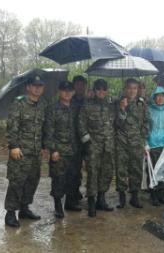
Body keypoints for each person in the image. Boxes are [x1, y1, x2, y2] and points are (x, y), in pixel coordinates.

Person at [4, 74, 46, 227]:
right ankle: (10, 213)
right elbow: (12, 125)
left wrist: (43, 146)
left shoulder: (43, 104)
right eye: (34, 85)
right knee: (17, 181)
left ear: (43, 88)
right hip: (20, 151)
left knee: (32, 180)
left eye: (40, 85)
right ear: (28, 87)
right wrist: (13, 146)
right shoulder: (19, 103)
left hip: (35, 152)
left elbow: (42, 128)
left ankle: (24, 208)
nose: (37, 88)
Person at [78, 79, 115, 217]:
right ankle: (92, 202)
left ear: (106, 91)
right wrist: (87, 141)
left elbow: (119, 120)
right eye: (98, 89)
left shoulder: (111, 106)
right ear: (94, 90)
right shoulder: (87, 105)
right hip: (93, 146)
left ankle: (101, 199)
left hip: (108, 145)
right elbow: (81, 124)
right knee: (93, 173)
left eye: (104, 89)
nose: (101, 91)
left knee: (106, 172)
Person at [44, 81, 80, 218]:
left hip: (73, 150)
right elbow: (48, 132)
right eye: (64, 90)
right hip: (59, 151)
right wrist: (53, 150)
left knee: (72, 178)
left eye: (70, 90)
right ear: (60, 91)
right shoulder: (52, 109)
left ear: (73, 92)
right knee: (58, 178)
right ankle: (58, 205)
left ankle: (70, 203)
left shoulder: (75, 108)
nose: (67, 92)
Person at [114, 78, 149, 209]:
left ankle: (134, 197)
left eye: (134, 88)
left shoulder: (142, 104)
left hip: (136, 143)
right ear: (125, 89)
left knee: (136, 170)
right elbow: (115, 124)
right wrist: (122, 109)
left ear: (138, 89)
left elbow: (147, 122)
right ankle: (122, 198)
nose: (132, 91)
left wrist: (142, 137)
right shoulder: (118, 103)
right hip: (122, 142)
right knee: (121, 170)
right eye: (129, 88)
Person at [70, 75, 87, 208]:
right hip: (73, 141)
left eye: (82, 85)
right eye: (78, 85)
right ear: (74, 86)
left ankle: (88, 193)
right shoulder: (69, 100)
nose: (80, 88)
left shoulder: (89, 101)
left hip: (87, 140)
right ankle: (73, 193)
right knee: (74, 169)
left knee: (90, 168)